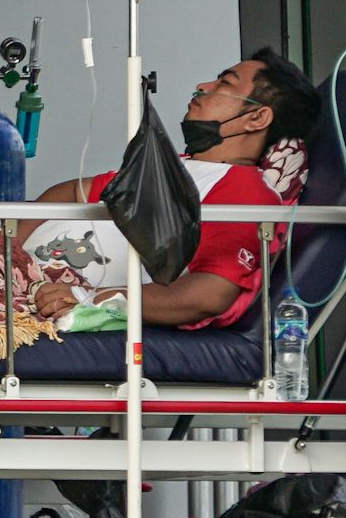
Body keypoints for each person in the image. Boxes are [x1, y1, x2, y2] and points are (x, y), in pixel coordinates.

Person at [16, 50, 322, 330]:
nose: (203, 86)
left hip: (48, 312)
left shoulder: (243, 191)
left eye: (225, 83)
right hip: (16, 282)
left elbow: (209, 295)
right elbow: (72, 192)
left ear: (257, 117)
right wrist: (7, 253)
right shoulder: (174, 167)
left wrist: (91, 297)